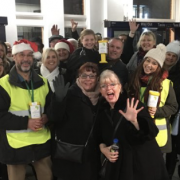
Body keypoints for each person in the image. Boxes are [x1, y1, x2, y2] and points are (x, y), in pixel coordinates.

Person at [97, 69, 170, 180]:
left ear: (120, 87)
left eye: (113, 84)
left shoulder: (132, 104)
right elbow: (99, 136)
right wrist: (103, 149)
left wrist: (135, 121)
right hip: (118, 165)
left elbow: (152, 132)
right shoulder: (102, 110)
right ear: (100, 91)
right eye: (103, 86)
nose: (108, 88)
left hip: (141, 165)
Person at [0, 39, 53, 180]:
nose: (26, 59)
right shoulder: (3, 84)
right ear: (14, 57)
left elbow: (51, 108)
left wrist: (48, 116)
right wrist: (26, 123)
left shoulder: (43, 82)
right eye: (21, 55)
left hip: (41, 142)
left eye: (29, 55)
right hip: (15, 145)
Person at [51, 62, 100, 180]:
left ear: (97, 78)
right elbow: (55, 118)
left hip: (91, 154)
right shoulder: (70, 93)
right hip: (71, 153)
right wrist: (58, 100)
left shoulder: (102, 97)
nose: (87, 79)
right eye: (84, 76)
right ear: (78, 78)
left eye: (91, 76)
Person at [127, 44, 178, 153]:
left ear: (159, 66)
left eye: (154, 63)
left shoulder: (165, 84)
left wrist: (157, 111)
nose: (149, 65)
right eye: (148, 61)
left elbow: (173, 107)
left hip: (157, 135)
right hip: (135, 130)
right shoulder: (134, 79)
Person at [164, 40, 180, 179]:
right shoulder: (157, 68)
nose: (170, 58)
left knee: (172, 145)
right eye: (168, 54)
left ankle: (168, 173)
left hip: (174, 114)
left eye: (174, 56)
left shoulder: (178, 73)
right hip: (159, 113)